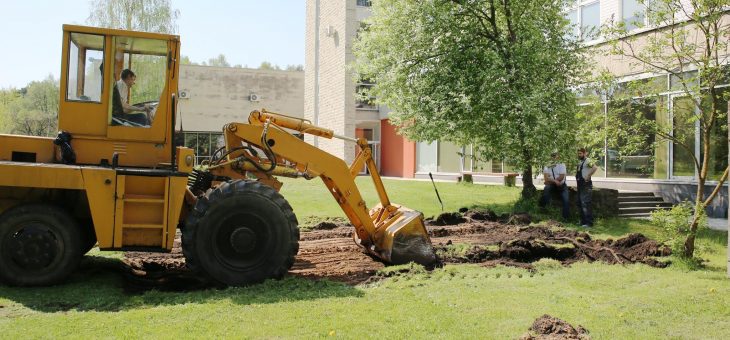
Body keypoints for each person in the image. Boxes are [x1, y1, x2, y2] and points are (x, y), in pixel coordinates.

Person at [539, 151, 569, 220]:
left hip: (561, 185)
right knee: (546, 191)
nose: (554, 157)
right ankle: (544, 213)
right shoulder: (547, 165)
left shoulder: (562, 164)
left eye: (555, 156)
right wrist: (554, 181)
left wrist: (550, 179)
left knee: (566, 199)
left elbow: (561, 177)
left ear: (558, 156)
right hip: (552, 184)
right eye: (552, 156)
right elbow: (546, 179)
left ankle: (565, 218)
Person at [576, 147, 599, 227]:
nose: (579, 155)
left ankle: (589, 223)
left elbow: (595, 167)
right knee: (580, 203)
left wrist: (589, 175)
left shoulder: (588, 161)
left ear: (585, 153)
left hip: (586, 185)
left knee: (586, 203)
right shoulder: (580, 162)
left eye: (580, 153)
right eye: (578, 153)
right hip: (580, 185)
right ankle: (582, 222)